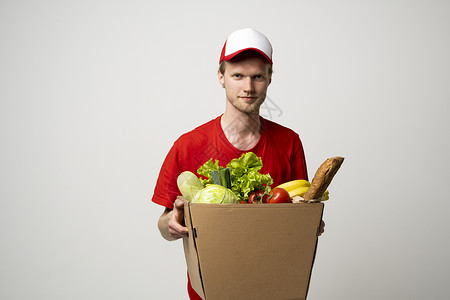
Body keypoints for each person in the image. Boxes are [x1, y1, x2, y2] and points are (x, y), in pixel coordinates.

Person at [151, 28, 325, 299]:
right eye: (238, 76)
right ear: (221, 77)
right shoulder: (189, 146)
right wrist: (171, 224)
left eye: (257, 76)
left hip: (275, 290)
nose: (248, 87)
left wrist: (309, 222)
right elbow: (164, 223)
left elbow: (299, 211)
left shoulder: (289, 142)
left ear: (269, 79)